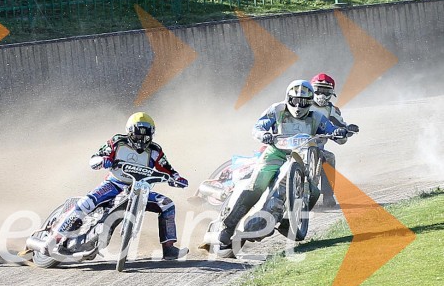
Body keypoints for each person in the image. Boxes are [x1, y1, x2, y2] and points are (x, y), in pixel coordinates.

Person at [217, 80, 347, 250]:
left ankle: (289, 219)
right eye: (295, 101)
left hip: (303, 153)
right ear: (288, 98)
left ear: (310, 102)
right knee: (256, 184)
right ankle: (229, 226)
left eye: (304, 102)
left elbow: (333, 132)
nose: (299, 106)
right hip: (275, 152)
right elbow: (257, 127)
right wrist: (263, 134)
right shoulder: (276, 110)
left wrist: (338, 132)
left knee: (314, 189)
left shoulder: (317, 116)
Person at [56, 112, 190, 260]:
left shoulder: (155, 151)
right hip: (113, 184)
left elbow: (168, 169)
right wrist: (103, 160)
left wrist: (177, 178)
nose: (141, 140)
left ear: (152, 135)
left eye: (145, 136)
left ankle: (169, 248)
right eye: (138, 136)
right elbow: (94, 159)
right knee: (86, 203)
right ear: (129, 132)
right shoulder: (117, 142)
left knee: (167, 204)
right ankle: (59, 238)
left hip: (140, 189)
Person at [309, 73, 359, 208]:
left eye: (326, 92)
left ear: (332, 93)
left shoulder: (331, 110)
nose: (322, 95)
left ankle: (328, 195)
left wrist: (347, 130)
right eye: (318, 90)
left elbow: (341, 128)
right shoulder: (300, 102)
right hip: (292, 145)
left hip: (317, 148)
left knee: (329, 157)